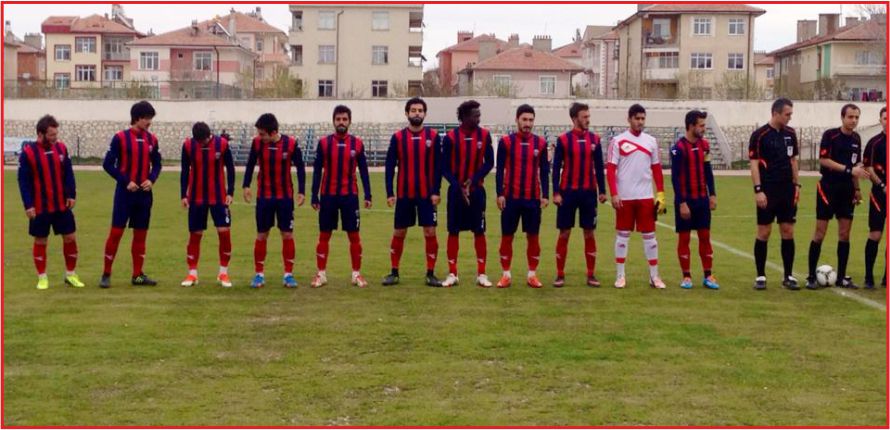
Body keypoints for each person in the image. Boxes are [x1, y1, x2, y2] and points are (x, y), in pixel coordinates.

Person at [382, 97, 444, 287]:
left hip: (427, 195)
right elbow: (390, 166)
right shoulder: (398, 138)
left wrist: (436, 191)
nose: (417, 113)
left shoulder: (433, 137)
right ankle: (394, 272)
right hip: (404, 194)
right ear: (407, 113)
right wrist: (390, 192)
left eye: (420, 110)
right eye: (413, 110)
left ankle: (430, 273)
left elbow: (438, 167)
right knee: (399, 232)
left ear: (425, 113)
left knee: (430, 231)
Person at [100, 100, 162, 288]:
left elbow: (158, 163)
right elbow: (108, 164)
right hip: (125, 195)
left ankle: (137, 275)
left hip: (144, 195)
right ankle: (106, 273)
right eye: (147, 118)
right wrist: (126, 182)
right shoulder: (120, 138)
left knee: (141, 234)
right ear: (137, 118)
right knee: (116, 232)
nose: (149, 122)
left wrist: (151, 179)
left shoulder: (152, 140)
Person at [18, 115, 84, 289]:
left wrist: (71, 194)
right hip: (40, 206)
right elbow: (23, 181)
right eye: (51, 135)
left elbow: (69, 173)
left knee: (70, 237)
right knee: (41, 240)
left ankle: (70, 275)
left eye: (56, 134)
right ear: (40, 134)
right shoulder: (28, 153)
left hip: (61, 204)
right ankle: (42, 277)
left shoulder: (61, 148)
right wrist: (28, 205)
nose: (55, 138)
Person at [805, 104, 867, 290]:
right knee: (820, 233)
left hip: (847, 191)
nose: (854, 120)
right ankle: (810, 277)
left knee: (844, 234)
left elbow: (856, 166)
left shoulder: (856, 138)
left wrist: (856, 189)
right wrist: (849, 169)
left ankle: (841, 277)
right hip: (828, 188)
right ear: (842, 117)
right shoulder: (830, 136)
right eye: (850, 117)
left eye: (856, 117)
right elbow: (824, 160)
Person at [309, 105, 372, 289]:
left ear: (349, 121)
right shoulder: (324, 143)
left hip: (349, 196)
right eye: (338, 119)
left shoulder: (357, 144)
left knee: (354, 235)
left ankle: (356, 274)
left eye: (344, 119)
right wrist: (314, 195)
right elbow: (317, 171)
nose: (341, 122)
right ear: (333, 121)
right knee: (324, 235)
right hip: (328, 196)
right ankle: (321, 274)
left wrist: (368, 194)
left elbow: (364, 172)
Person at [606, 104, 667, 289]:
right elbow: (610, 169)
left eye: (642, 118)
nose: (640, 122)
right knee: (623, 236)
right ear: (629, 119)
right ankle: (620, 275)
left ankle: (654, 277)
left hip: (645, 197)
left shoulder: (651, 141)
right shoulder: (617, 141)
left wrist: (661, 194)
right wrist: (614, 193)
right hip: (625, 197)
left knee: (650, 237)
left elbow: (657, 169)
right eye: (637, 118)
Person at [243, 113, 306, 288]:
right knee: (262, 234)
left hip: (285, 197)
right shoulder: (257, 144)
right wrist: (246, 185)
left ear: (273, 132)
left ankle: (288, 275)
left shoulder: (291, 144)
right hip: (264, 197)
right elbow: (250, 164)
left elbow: (300, 167)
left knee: (287, 234)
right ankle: (259, 274)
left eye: (262, 133)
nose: (259, 137)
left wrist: (301, 191)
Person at [551, 102, 607, 287]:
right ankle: (560, 274)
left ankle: (591, 274)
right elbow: (556, 167)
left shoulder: (595, 140)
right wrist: (556, 192)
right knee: (564, 232)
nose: (588, 120)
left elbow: (599, 167)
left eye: (588, 116)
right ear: (575, 119)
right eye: (584, 117)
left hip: (589, 194)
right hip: (567, 193)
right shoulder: (563, 140)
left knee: (589, 233)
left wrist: (602, 191)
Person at [495, 104, 550, 288]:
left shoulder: (540, 143)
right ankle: (506, 275)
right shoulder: (506, 142)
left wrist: (545, 195)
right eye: (524, 119)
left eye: (531, 120)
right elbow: (499, 170)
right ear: (517, 120)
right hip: (511, 198)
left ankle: (532, 275)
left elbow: (544, 171)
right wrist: (499, 194)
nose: (528, 123)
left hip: (532, 199)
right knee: (507, 236)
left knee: (533, 237)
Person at [440, 100, 494, 288]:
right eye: (475, 115)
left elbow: (489, 162)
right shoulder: (450, 138)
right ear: (463, 117)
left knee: (479, 230)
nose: (478, 118)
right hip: (456, 192)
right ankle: (452, 273)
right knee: (453, 231)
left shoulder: (485, 135)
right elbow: (444, 167)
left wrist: (474, 178)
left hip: (477, 191)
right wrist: (457, 185)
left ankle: (482, 274)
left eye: (479, 114)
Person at [749, 98, 801, 290]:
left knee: (788, 230)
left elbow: (793, 161)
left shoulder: (791, 133)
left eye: (791, 114)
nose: (790, 117)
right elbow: (754, 164)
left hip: (787, 189)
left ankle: (788, 275)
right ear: (776, 113)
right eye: (787, 114)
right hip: (768, 190)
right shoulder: (760, 135)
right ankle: (760, 276)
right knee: (764, 231)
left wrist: (797, 185)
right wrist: (758, 190)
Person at [179, 122, 236, 288]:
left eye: (203, 141)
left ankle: (223, 273)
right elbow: (184, 170)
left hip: (218, 197)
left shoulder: (222, 144)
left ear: (209, 135)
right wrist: (183, 194)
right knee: (195, 235)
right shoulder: (188, 145)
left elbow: (231, 169)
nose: (201, 144)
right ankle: (192, 274)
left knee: (224, 232)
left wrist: (230, 192)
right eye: (198, 141)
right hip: (196, 197)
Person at [670, 110, 719, 290]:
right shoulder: (677, 149)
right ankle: (687, 276)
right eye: (701, 125)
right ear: (691, 126)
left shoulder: (705, 146)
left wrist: (712, 194)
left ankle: (708, 275)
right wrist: (682, 202)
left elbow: (708, 172)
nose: (704, 128)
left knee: (705, 237)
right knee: (684, 239)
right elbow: (674, 178)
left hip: (701, 200)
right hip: (685, 200)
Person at [863, 106, 887, 289]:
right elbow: (869, 169)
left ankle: (887, 277)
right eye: (885, 118)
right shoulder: (874, 143)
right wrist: (882, 185)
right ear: (880, 120)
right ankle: (869, 277)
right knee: (875, 235)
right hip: (879, 195)